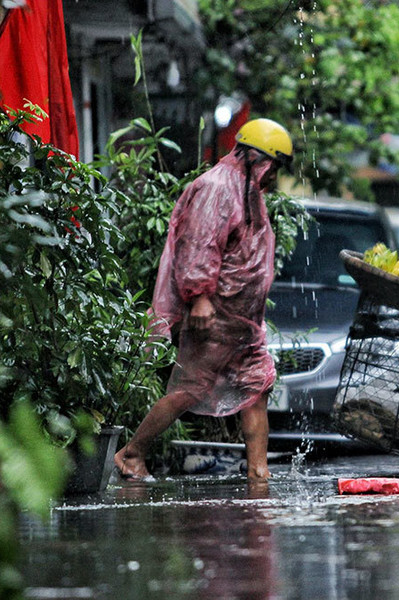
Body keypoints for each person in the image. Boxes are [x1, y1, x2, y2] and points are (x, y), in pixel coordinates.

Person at [114, 118, 294, 481]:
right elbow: (198, 244)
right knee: (190, 388)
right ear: (255, 159)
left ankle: (259, 473)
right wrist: (199, 297)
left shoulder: (248, 190)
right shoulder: (217, 187)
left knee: (257, 385)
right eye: (275, 166)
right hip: (213, 314)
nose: (276, 176)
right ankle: (132, 452)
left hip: (241, 322)